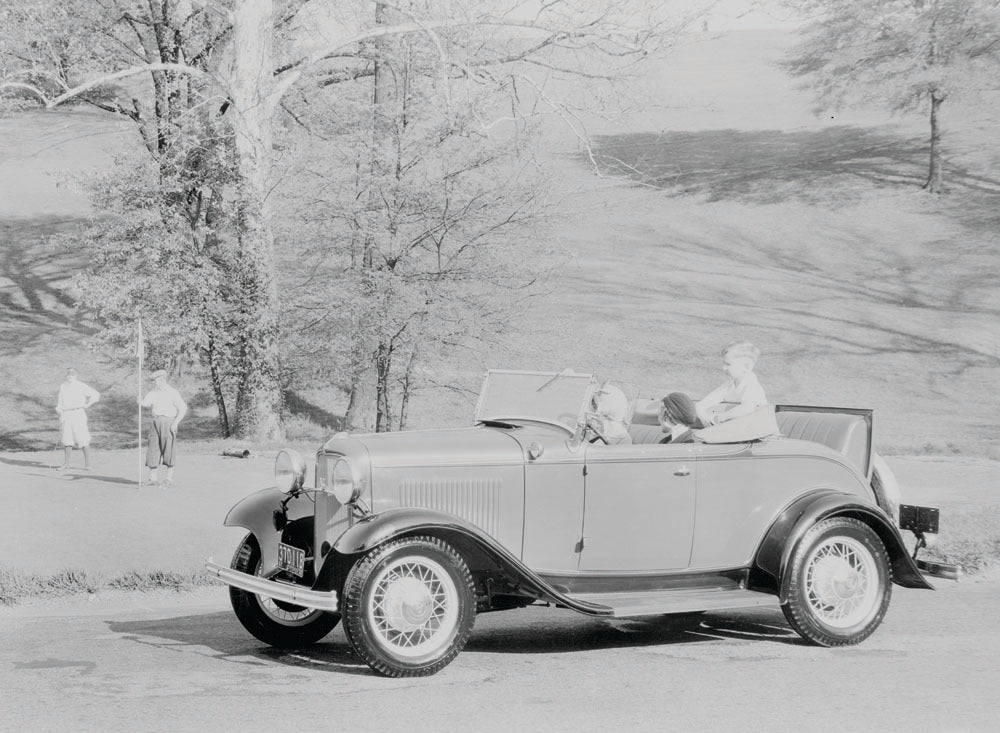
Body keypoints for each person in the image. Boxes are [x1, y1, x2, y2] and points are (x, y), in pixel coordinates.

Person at [696, 341, 767, 426]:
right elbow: (701, 405)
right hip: (735, 429)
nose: (724, 368)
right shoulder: (729, 385)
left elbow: (747, 408)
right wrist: (708, 421)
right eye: (724, 363)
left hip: (757, 430)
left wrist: (721, 417)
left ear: (747, 366)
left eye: (728, 364)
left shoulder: (752, 386)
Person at [139, 369, 187, 488]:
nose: (154, 383)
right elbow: (146, 403)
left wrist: (175, 423)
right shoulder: (154, 392)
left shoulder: (172, 392)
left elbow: (183, 408)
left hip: (168, 422)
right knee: (153, 449)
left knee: (168, 450)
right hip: (155, 422)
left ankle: (168, 479)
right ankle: (153, 478)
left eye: (155, 380)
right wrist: (140, 401)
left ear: (161, 380)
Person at [55, 367, 100, 471]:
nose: (70, 376)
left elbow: (96, 395)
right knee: (67, 438)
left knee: (82, 437)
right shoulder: (63, 386)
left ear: (76, 376)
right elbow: (59, 402)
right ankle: (66, 464)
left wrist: (87, 404)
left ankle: (88, 464)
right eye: (68, 374)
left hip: (78, 413)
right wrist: (58, 409)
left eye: (72, 374)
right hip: (66, 414)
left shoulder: (81, 385)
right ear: (66, 376)